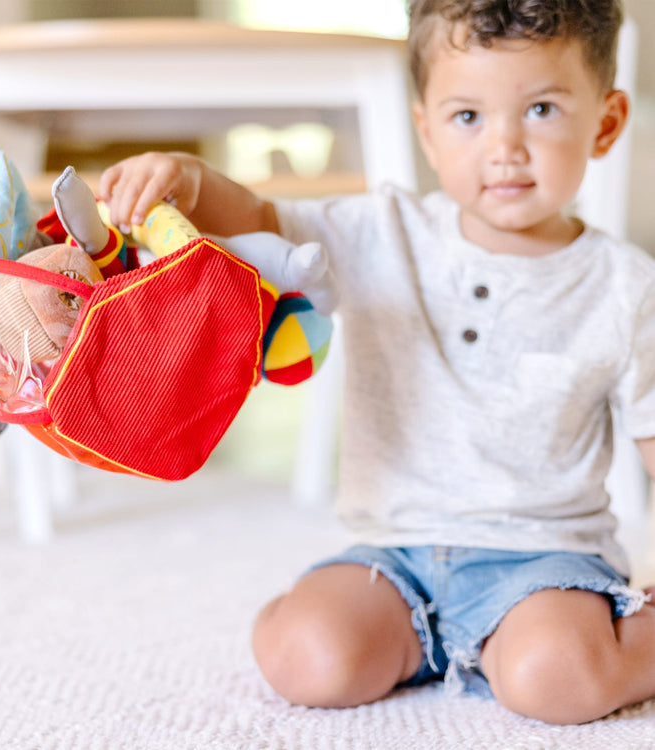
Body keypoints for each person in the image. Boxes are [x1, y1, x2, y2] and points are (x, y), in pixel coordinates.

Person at [98, 0, 655, 726]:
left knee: (554, 679)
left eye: (542, 109)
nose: (505, 147)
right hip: (393, 557)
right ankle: (391, 632)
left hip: (543, 561)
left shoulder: (626, 286)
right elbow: (267, 223)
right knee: (311, 658)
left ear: (606, 123)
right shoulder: (384, 232)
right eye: (468, 118)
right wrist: (191, 183)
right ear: (427, 129)